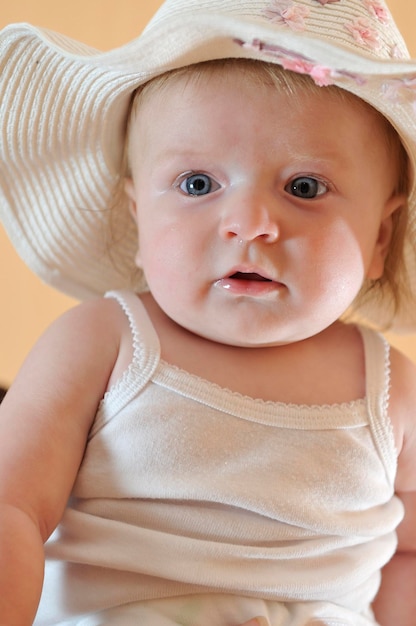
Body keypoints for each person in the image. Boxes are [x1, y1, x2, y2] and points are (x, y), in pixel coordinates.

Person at [1, 0, 416, 624]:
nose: (249, 223)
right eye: (198, 184)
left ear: (380, 239)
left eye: (304, 187)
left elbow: (406, 558)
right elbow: (12, 507)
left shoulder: (392, 389)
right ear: (138, 217)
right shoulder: (106, 343)